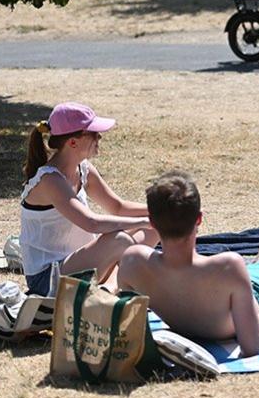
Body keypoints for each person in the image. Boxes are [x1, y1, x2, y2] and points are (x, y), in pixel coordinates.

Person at [118, 172, 259, 357]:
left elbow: (125, 328)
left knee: (253, 270)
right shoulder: (228, 266)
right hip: (257, 293)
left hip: (234, 283)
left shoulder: (132, 262)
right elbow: (253, 346)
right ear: (199, 219)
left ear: (151, 222)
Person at [20, 102, 159, 296]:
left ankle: (108, 289)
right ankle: (113, 287)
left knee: (157, 229)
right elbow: (91, 223)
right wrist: (145, 221)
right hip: (46, 280)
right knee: (120, 240)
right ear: (73, 142)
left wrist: (164, 213)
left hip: (77, 263)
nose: (99, 137)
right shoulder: (49, 179)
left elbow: (118, 207)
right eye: (93, 133)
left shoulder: (82, 168)